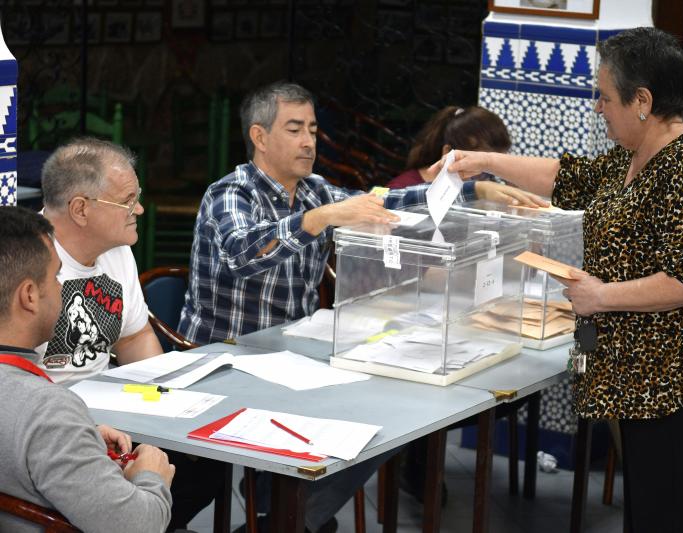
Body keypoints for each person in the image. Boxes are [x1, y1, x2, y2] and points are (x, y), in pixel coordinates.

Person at [177, 81, 541, 532]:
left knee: (389, 421)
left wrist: (475, 193)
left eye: (312, 128)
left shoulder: (313, 189)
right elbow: (243, 253)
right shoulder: (230, 193)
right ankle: (289, 514)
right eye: (295, 129)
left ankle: (293, 517)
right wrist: (321, 219)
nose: (309, 140)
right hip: (225, 362)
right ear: (260, 136)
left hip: (289, 357)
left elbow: (389, 200)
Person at [445, 27, 683, 533]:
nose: (597, 107)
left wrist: (600, 296)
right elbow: (565, 177)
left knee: (665, 513)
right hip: (639, 375)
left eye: (604, 96)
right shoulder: (633, 155)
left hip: (674, 379)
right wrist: (485, 162)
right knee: (645, 509)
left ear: (642, 100)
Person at [35, 137, 225, 532]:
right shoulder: (28, 262)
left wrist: (167, 403)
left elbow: (133, 337)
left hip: (115, 416)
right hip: (52, 432)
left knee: (208, 466)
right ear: (81, 209)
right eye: (128, 200)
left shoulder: (115, 250)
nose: (138, 209)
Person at [0, 206, 174, 533]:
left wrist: (80, 437)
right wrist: (152, 475)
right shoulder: (47, 411)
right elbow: (140, 526)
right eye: (55, 277)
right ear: (29, 296)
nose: (62, 288)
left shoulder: (43, 416)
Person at [386, 105, 511, 189]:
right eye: (482, 169)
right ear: (448, 153)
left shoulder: (483, 188)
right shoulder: (401, 188)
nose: (488, 179)